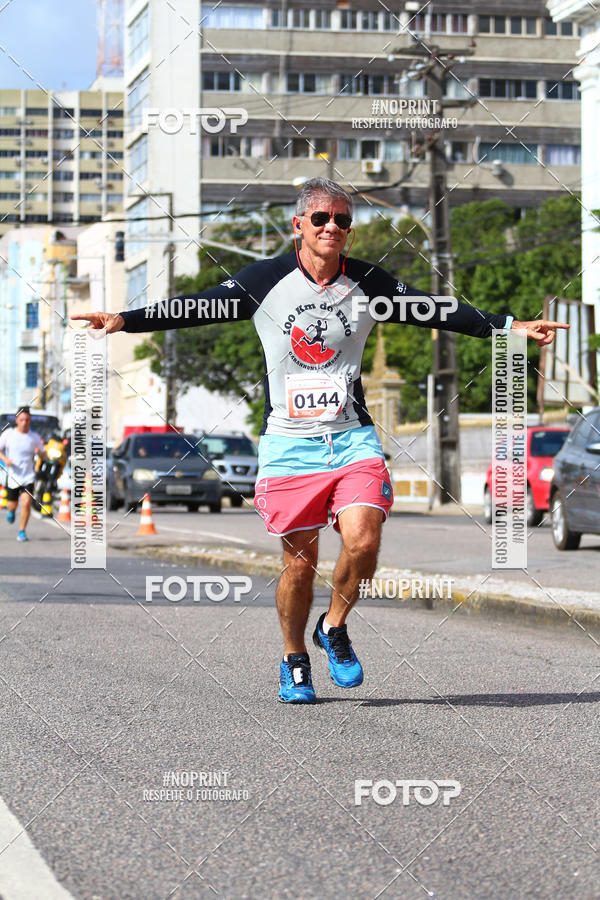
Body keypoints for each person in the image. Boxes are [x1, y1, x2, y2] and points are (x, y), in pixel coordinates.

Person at [72, 177, 568, 704]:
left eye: (343, 220)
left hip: (351, 437)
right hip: (288, 445)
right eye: (322, 219)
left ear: (350, 231)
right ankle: (294, 659)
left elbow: (438, 310)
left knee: (364, 540)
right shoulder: (263, 281)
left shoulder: (368, 284)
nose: (332, 227)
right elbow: (194, 308)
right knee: (299, 565)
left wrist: (508, 326)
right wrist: (124, 319)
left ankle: (333, 627)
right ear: (299, 226)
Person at [0, 406, 46, 542]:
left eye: (27, 419)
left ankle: (22, 531)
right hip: (13, 475)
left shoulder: (34, 437)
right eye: (21, 420)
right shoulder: (8, 434)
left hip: (28, 476)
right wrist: (5, 459)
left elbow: (44, 455)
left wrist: (40, 453)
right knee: (12, 504)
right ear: (17, 420)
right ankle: (12, 511)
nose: (24, 422)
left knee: (26, 502)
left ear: (30, 420)